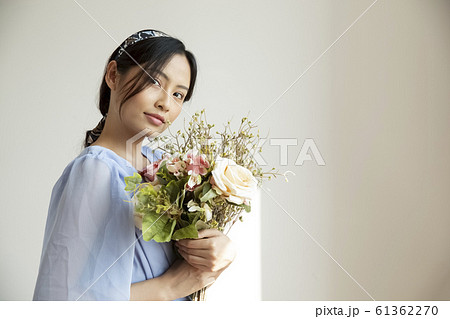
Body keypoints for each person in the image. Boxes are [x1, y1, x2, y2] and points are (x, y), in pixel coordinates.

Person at [33, 29, 236, 301]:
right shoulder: (96, 169)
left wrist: (218, 249)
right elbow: (65, 300)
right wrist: (173, 286)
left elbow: (190, 259)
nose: (165, 103)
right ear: (113, 75)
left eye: (178, 95)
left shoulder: (166, 168)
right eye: (154, 81)